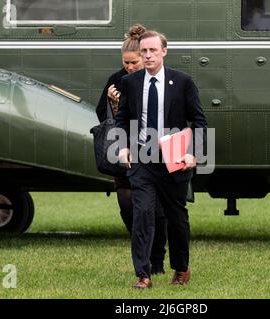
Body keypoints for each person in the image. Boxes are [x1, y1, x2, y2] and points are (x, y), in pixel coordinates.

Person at [115, 30, 208, 289]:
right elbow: (122, 119)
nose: (147, 56)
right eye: (143, 51)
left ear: (164, 52)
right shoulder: (131, 83)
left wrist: (195, 153)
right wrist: (123, 147)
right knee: (142, 213)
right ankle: (143, 275)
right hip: (143, 160)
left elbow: (199, 120)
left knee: (176, 217)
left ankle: (181, 268)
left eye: (152, 51)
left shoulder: (183, 82)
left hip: (174, 160)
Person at [96, 24, 167, 275]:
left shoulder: (158, 78)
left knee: (155, 210)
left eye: (134, 62)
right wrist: (113, 103)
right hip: (125, 147)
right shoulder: (116, 80)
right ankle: (143, 252)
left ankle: (157, 259)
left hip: (151, 146)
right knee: (128, 205)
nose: (130, 67)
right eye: (126, 62)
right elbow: (102, 115)